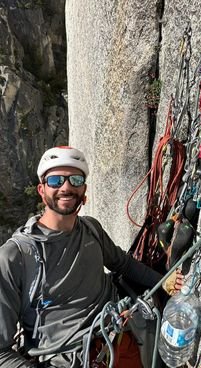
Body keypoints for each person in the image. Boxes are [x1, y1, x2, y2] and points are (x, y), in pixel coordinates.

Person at [0, 146, 184, 368]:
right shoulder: (15, 256)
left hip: (122, 338)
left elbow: (123, 264)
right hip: (69, 359)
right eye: (56, 180)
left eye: (75, 180)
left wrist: (163, 282)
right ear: (42, 189)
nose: (66, 187)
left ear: (84, 190)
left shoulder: (91, 230)